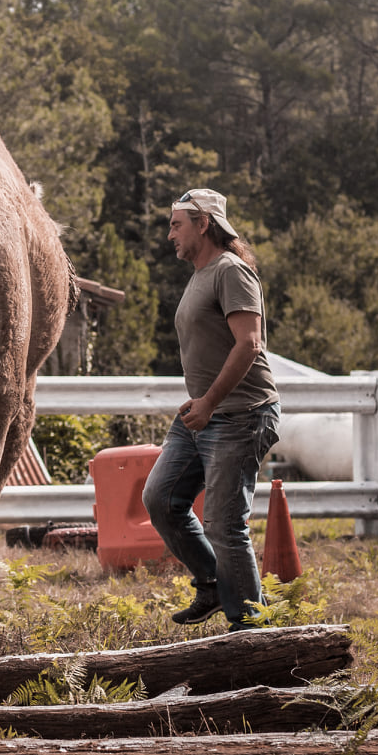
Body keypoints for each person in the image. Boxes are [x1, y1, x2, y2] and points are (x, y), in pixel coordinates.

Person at [143, 189, 281, 632]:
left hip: (240, 415)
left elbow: (249, 344)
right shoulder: (200, 275)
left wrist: (209, 402)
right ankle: (213, 584)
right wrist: (201, 404)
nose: (170, 235)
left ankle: (250, 631)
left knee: (223, 525)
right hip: (201, 414)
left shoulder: (230, 271)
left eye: (176, 225)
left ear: (204, 224)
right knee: (161, 499)